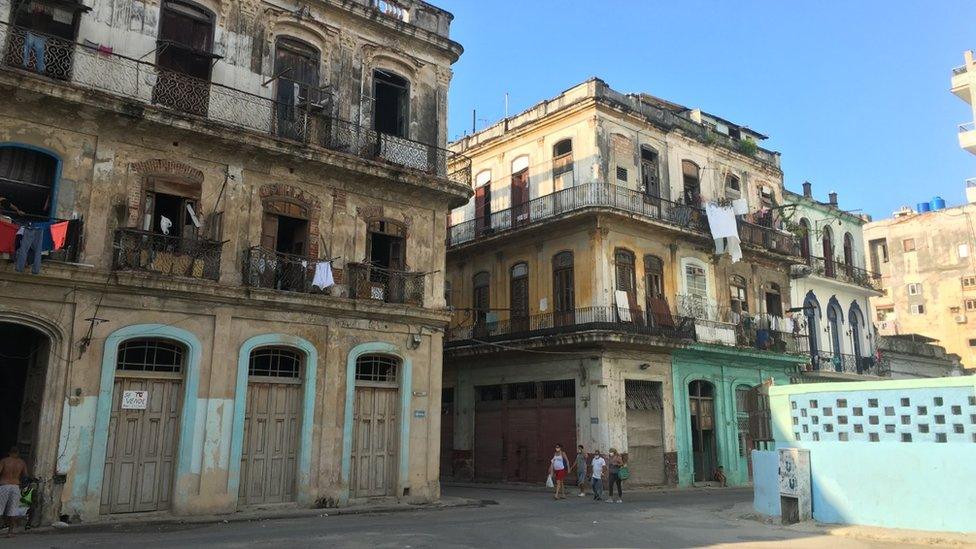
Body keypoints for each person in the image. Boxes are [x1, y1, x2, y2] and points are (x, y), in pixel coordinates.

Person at [0, 446, 28, 537]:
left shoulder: (4, 461)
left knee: (0, 508)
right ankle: (10, 532)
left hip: (4, 485)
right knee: (12, 510)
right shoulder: (21, 462)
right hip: (15, 486)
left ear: (9, 452)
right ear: (18, 453)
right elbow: (25, 476)